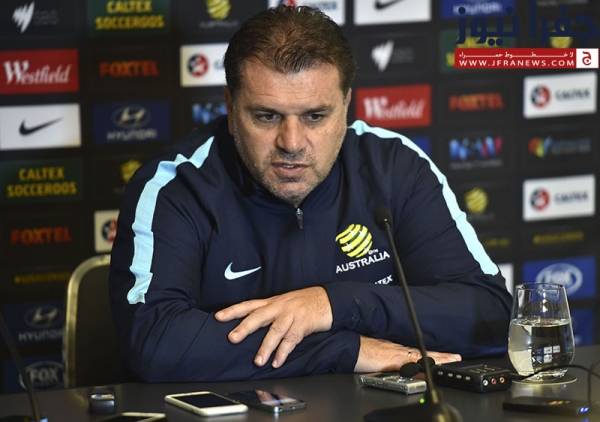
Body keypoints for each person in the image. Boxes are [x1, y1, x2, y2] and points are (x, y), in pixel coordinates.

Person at [109, 5, 511, 382]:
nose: (291, 143)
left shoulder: (393, 166)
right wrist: (346, 349)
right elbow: (153, 341)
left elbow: (492, 314)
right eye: (266, 116)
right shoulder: (176, 186)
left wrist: (334, 304)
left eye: (315, 116)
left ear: (346, 105)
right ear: (231, 109)